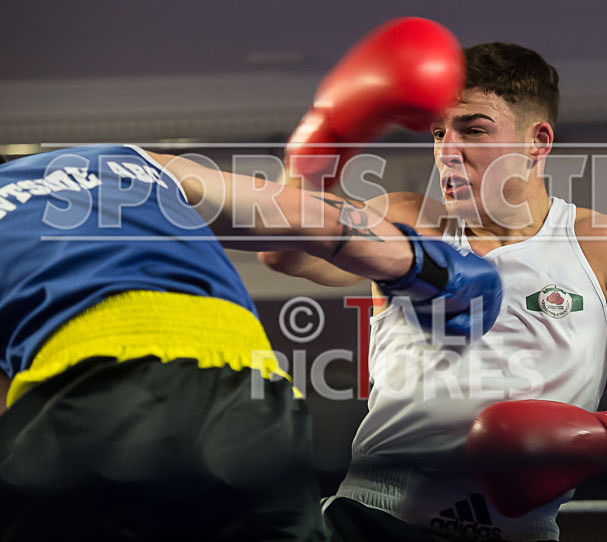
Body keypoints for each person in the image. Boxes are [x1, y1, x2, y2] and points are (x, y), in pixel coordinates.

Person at [263, 37, 607, 541]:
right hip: (371, 520)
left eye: (473, 130)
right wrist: (326, 135)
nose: (447, 152)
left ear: (537, 142)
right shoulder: (405, 222)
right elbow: (284, 252)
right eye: (439, 132)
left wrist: (601, 438)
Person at [0, 138, 502, 540]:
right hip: (244, 394)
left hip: (80, 396)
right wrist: (432, 269)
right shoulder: (124, 160)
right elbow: (309, 217)